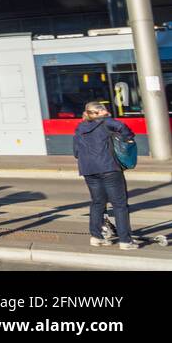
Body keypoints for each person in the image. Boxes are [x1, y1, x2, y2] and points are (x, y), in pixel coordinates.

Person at [73, 101, 138, 249]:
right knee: (119, 205)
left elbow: (76, 153)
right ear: (98, 112)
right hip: (109, 168)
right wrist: (128, 138)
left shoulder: (79, 128)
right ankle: (125, 241)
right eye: (104, 110)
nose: (107, 111)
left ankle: (96, 237)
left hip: (89, 170)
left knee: (97, 203)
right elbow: (123, 128)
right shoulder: (106, 122)